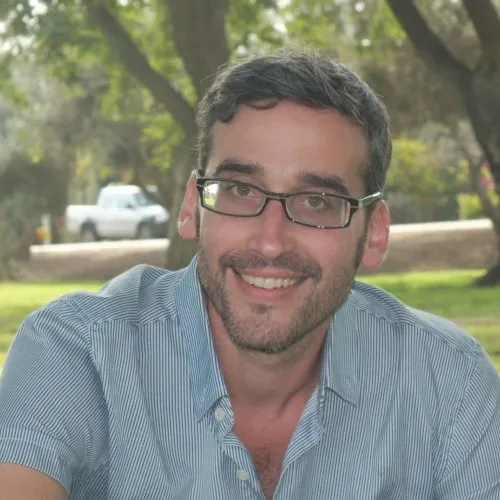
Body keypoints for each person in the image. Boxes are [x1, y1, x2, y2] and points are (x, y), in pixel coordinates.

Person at [0, 49, 499, 500]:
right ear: (192, 206)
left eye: (317, 201)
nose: (270, 241)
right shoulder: (78, 353)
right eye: (240, 191)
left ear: (374, 233)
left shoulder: (447, 379)